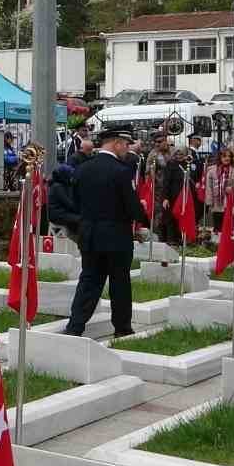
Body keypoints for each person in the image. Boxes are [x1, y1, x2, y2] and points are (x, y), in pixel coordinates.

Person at [65, 127, 148, 338]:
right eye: (126, 144)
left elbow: (75, 202)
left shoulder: (82, 169)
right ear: (116, 143)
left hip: (89, 234)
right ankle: (122, 328)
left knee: (89, 280)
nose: (127, 149)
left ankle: (75, 326)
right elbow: (131, 206)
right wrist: (143, 214)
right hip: (116, 235)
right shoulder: (121, 171)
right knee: (119, 282)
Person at [48, 160, 81, 239]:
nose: (72, 177)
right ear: (65, 175)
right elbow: (69, 203)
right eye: (70, 175)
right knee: (80, 219)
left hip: (63, 212)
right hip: (57, 215)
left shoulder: (63, 184)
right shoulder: (58, 187)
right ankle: (76, 239)